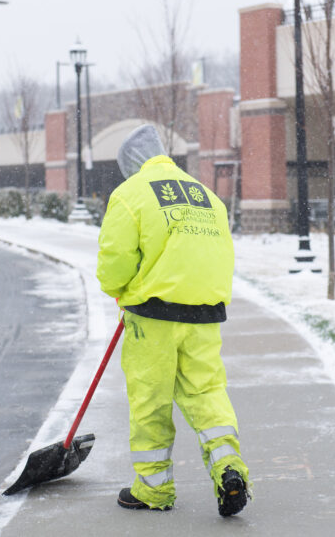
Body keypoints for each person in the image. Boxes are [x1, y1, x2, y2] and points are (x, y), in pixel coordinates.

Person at [96, 124, 250, 516]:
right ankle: (229, 468)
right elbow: (221, 253)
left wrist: (120, 289)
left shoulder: (130, 193)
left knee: (151, 400)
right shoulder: (205, 195)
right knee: (207, 393)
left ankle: (154, 489)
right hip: (204, 314)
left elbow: (115, 260)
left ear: (131, 163)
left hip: (153, 317)